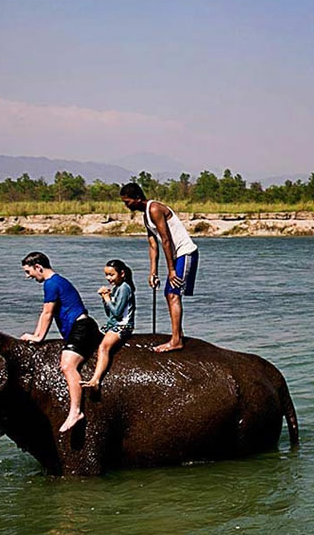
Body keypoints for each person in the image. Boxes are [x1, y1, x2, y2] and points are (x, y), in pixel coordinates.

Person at [19, 251, 100, 436]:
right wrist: (37, 335)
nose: (27, 276)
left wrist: (38, 337)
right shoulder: (57, 281)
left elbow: (47, 313)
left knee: (67, 365)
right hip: (79, 328)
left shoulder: (51, 283)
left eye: (28, 271)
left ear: (38, 267)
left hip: (82, 327)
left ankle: (76, 412)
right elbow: (45, 314)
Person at [120, 182, 198, 352]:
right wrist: (153, 272)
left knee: (172, 294)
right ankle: (178, 334)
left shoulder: (154, 209)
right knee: (169, 294)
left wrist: (171, 270)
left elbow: (166, 239)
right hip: (177, 256)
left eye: (127, 202)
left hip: (185, 253)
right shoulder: (145, 216)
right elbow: (153, 244)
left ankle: (176, 340)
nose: (126, 205)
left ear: (137, 198)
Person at [82, 259, 136, 389]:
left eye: (111, 275)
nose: (108, 278)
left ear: (122, 273)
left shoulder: (124, 288)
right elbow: (110, 313)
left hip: (123, 326)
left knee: (103, 347)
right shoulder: (116, 288)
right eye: (106, 275)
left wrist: (107, 298)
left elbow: (117, 313)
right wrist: (104, 299)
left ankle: (96, 379)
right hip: (112, 324)